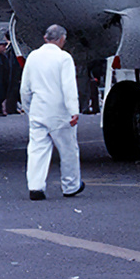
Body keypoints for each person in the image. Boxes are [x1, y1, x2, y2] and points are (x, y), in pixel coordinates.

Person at [21, 24, 83, 201]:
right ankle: (71, 185)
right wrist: (74, 110)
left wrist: (28, 107)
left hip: (38, 109)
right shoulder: (64, 58)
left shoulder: (33, 56)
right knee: (68, 149)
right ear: (62, 39)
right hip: (59, 111)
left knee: (37, 149)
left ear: (45, 38)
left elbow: (25, 87)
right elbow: (69, 86)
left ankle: (35, 186)